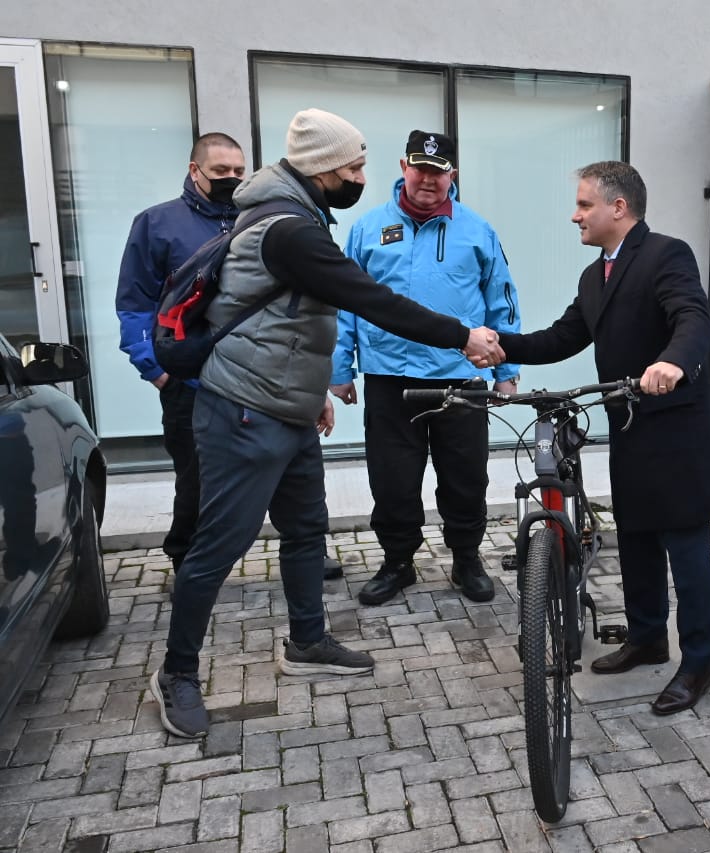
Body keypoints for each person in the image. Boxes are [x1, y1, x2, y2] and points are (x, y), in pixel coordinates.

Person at [149, 108, 504, 739]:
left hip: (288, 407)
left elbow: (292, 320)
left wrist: (314, 389)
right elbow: (369, 300)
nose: (362, 176)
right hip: (244, 409)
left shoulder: (301, 216)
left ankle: (308, 641)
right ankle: (177, 671)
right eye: (356, 166)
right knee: (217, 548)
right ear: (322, 168)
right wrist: (462, 335)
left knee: (307, 531)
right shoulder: (288, 229)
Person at [493, 161, 710, 716]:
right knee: (639, 543)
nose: (575, 216)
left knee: (686, 555)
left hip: (674, 433)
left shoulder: (667, 254)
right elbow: (562, 336)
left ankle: (697, 663)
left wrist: (672, 362)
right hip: (629, 430)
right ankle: (647, 638)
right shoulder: (595, 275)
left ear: (617, 208)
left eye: (583, 205)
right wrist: (501, 346)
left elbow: (694, 319)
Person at [116, 135, 345, 581]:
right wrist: (158, 370)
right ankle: (189, 563)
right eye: (220, 171)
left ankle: (307, 554)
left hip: (269, 384)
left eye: (239, 171)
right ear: (193, 170)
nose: (232, 179)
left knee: (294, 477)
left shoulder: (263, 220)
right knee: (197, 482)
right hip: (195, 384)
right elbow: (134, 304)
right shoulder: (158, 224)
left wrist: (315, 384)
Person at [330, 131, 521, 606]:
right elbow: (344, 304)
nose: (428, 180)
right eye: (420, 168)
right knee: (392, 478)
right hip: (389, 378)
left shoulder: (477, 230)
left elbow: (501, 301)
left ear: (452, 174)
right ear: (402, 166)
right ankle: (398, 561)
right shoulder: (367, 229)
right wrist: (340, 367)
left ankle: (466, 558)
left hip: (462, 377)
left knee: (465, 476)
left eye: (438, 171)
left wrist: (506, 368)